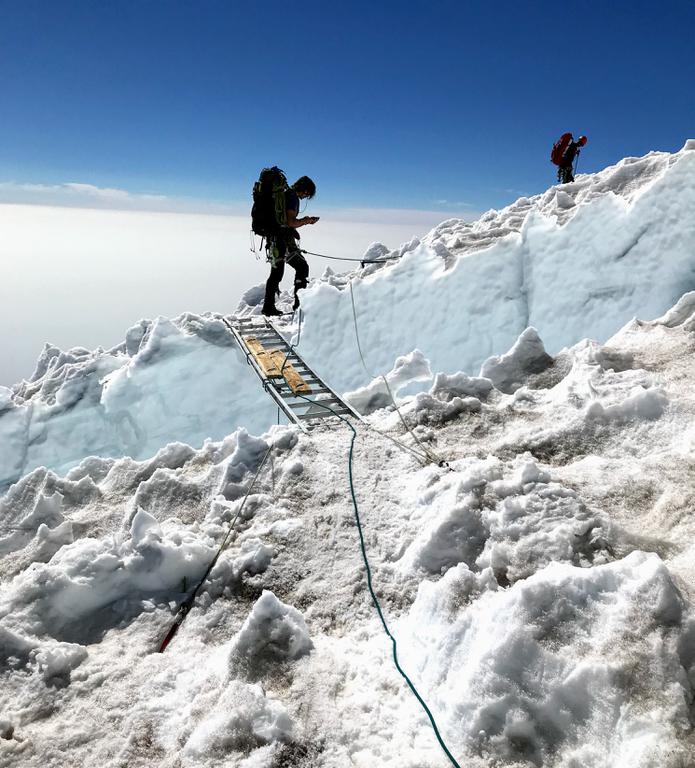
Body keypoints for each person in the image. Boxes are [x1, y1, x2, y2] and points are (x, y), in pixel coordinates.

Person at [262, 176, 319, 316]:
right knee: (300, 267)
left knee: (276, 273)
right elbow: (290, 222)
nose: (305, 197)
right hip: (281, 241)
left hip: (276, 239)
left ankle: (268, 307)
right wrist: (306, 221)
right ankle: (298, 306)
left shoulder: (285, 194)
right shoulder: (292, 197)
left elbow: (285, 222)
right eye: (306, 194)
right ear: (304, 190)